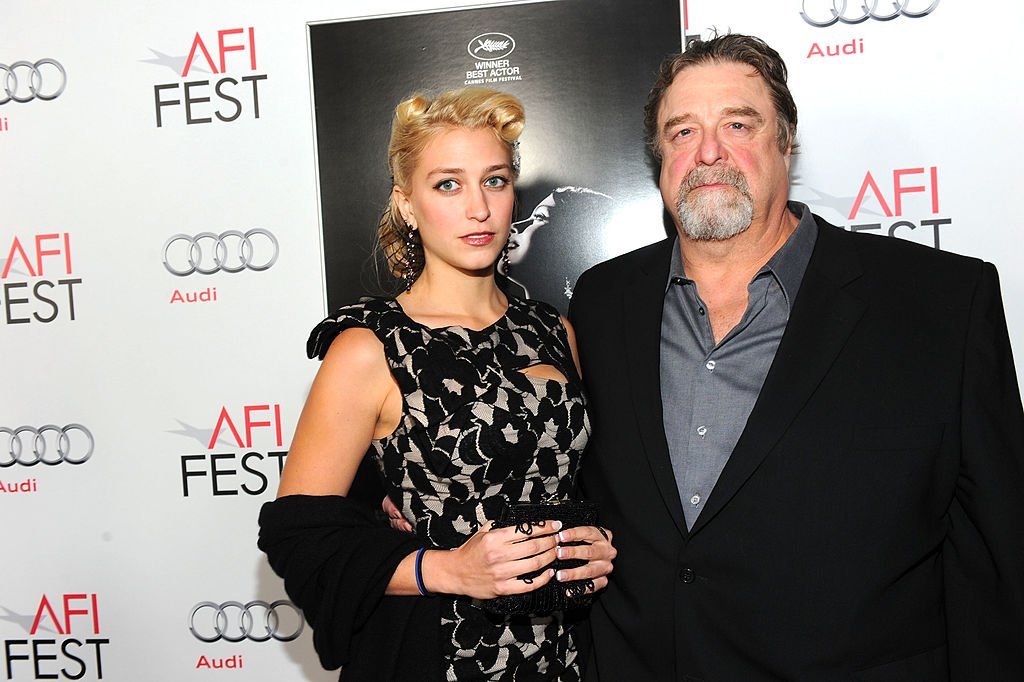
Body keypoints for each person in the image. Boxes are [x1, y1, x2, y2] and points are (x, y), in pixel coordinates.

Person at [569, 33, 1024, 680]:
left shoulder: (942, 303)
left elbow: (996, 555)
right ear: (660, 157)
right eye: (681, 132)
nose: (708, 152)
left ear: (787, 142)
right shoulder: (602, 300)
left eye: (738, 124)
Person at [258, 87, 616, 681]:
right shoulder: (369, 348)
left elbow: (570, 479)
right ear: (406, 203)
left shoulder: (554, 329)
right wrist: (444, 569)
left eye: (495, 181)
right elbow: (298, 537)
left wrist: (595, 540)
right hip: (438, 654)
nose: (478, 207)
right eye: (448, 184)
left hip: (565, 652)